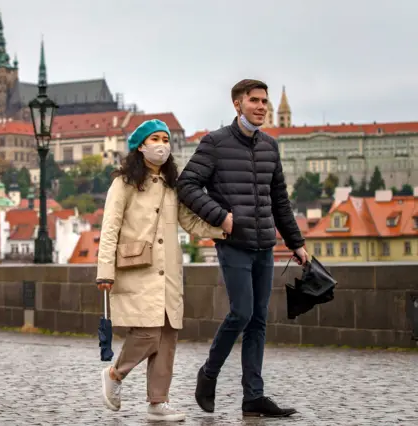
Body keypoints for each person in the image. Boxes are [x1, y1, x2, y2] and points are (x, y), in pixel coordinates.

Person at [176, 79, 309, 418]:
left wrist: (296, 242)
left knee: (259, 320)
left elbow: (279, 200)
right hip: (234, 242)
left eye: (265, 101)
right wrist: (222, 218)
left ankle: (254, 396)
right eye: (254, 100)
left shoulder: (269, 146)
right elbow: (186, 185)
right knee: (242, 312)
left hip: (265, 244)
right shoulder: (215, 143)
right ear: (238, 104)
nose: (262, 106)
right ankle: (208, 374)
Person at [97, 119, 225, 422]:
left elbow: (189, 221)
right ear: (140, 145)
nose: (162, 145)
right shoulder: (124, 182)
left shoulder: (171, 184)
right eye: (155, 139)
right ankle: (115, 374)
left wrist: (222, 229)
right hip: (135, 267)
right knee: (147, 332)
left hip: (168, 270)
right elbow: (110, 226)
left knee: (167, 335)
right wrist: (105, 270)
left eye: (166, 139)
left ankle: (158, 402)